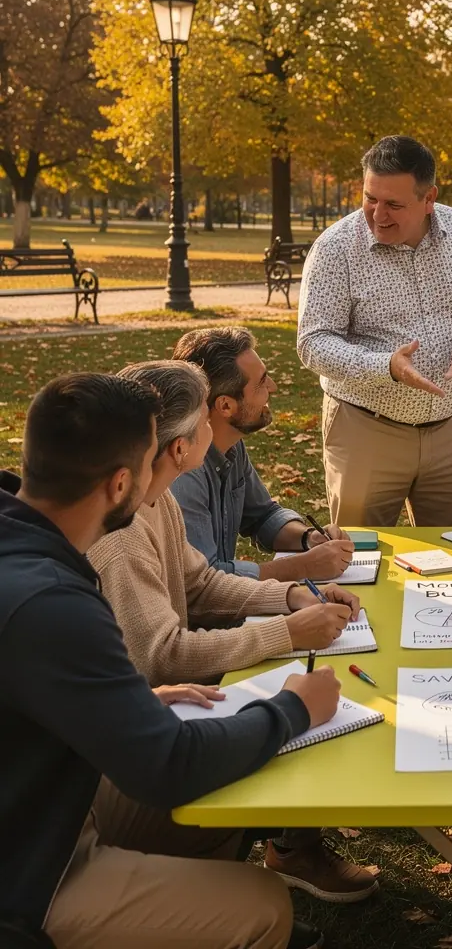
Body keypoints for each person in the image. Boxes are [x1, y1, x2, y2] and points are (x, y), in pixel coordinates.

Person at [0, 372, 340, 949]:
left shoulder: (30, 548)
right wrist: (292, 709)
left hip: (46, 805)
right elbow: (169, 764)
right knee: (262, 905)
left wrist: (137, 702)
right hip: (33, 871)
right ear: (121, 483)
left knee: (226, 793)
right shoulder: (55, 599)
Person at [89, 360, 380, 904]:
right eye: (203, 418)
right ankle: (215, 896)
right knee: (286, 719)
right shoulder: (122, 532)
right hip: (135, 742)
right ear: (180, 447)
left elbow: (200, 583)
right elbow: (162, 655)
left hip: (165, 706)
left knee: (295, 708)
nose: (211, 428)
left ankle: (241, 867)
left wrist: (293, 597)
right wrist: (287, 633)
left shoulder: (160, 498)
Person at [297, 135, 452, 527]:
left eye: (394, 204)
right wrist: (385, 366)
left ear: (429, 198)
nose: (378, 215)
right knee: (360, 566)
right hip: (366, 428)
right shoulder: (335, 249)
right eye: (370, 198)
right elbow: (313, 342)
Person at [171, 326, 355, 582]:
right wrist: (303, 567)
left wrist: (308, 538)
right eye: (261, 383)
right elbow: (204, 581)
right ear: (226, 405)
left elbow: (262, 515)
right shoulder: (182, 476)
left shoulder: (231, 446)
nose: (274, 387)